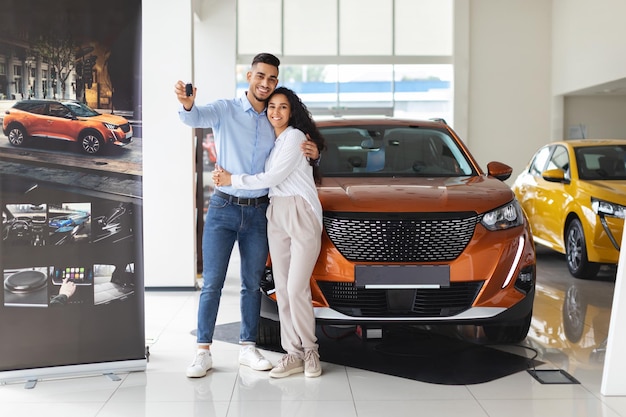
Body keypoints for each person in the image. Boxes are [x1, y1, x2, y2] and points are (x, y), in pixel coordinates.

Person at [174, 53, 319, 378]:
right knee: (212, 283)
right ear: (249, 76)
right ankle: (202, 351)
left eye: (271, 79)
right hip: (224, 207)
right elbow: (194, 117)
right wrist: (187, 105)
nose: (265, 84)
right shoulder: (226, 109)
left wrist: (315, 151)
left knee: (252, 285)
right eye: (260, 76)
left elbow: (293, 151)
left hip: (260, 213)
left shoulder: (274, 122)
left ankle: (248, 347)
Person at [213, 86, 325, 378]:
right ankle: (293, 353)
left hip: (301, 212)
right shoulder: (273, 142)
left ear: (292, 111)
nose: (275, 112)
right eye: (272, 106)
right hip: (275, 212)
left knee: (296, 288)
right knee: (283, 291)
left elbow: (273, 176)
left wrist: (232, 179)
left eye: (283, 107)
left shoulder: (296, 137)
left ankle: (311, 351)